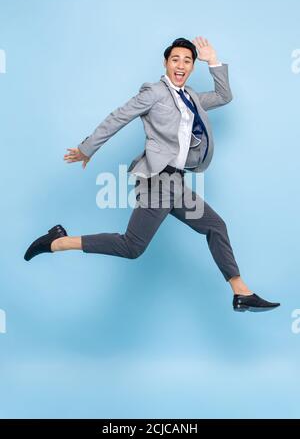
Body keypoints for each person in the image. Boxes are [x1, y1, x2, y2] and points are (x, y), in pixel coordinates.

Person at [24, 36, 280, 312]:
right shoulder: (154, 93)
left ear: (192, 66)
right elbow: (118, 117)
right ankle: (58, 242)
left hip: (177, 183)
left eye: (187, 61)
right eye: (175, 59)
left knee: (215, 226)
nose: (181, 65)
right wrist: (88, 148)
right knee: (132, 246)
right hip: (158, 181)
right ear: (166, 63)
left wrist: (214, 61)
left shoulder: (192, 97)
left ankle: (241, 292)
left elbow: (224, 96)